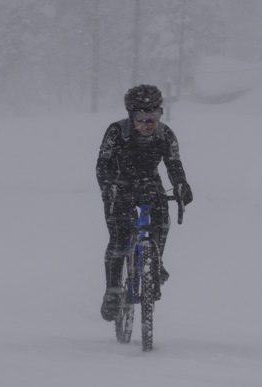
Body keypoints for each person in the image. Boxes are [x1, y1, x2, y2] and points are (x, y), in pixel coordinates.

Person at [96, 84, 193, 321]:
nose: (149, 124)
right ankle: (113, 290)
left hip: (149, 182)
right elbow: (103, 164)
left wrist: (181, 185)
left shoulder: (166, 134)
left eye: (155, 116)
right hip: (120, 184)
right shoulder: (116, 132)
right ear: (131, 115)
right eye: (142, 117)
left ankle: (155, 261)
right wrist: (109, 187)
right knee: (119, 238)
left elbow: (173, 164)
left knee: (161, 217)